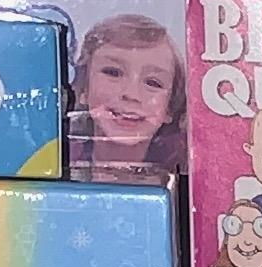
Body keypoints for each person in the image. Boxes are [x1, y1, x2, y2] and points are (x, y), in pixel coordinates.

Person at [67, 11, 185, 181]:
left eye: (152, 83)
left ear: (170, 107)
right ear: (84, 88)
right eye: (113, 72)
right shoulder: (53, 161)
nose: (131, 94)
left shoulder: (191, 176)